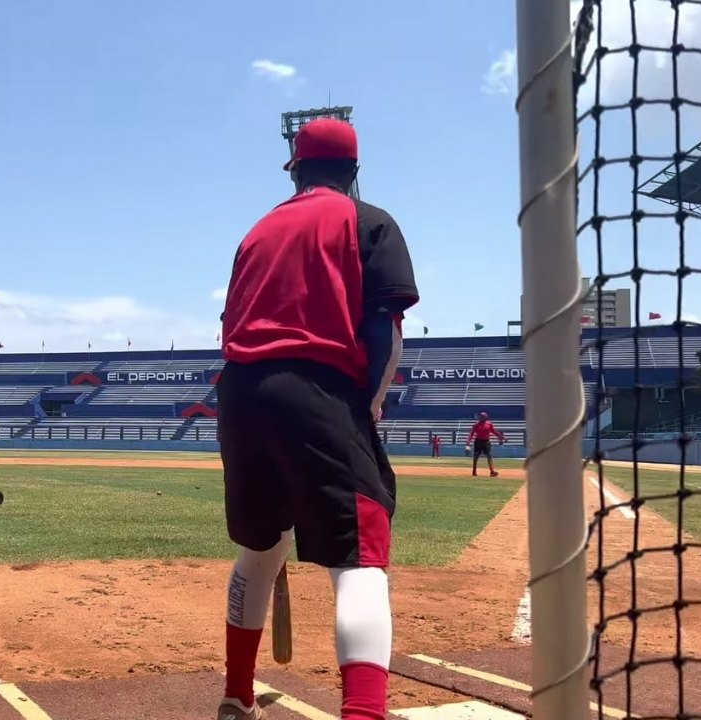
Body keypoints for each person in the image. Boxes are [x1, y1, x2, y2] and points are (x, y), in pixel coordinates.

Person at [216, 117, 419, 720]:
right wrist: (371, 404)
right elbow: (383, 329)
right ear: (353, 173)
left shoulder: (257, 230)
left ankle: (237, 696)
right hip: (319, 389)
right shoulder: (368, 219)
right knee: (359, 563)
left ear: (295, 169)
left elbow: (232, 324)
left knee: (259, 549)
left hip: (241, 390)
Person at [464, 412, 506, 477]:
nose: (482, 418)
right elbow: (471, 434)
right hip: (478, 441)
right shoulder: (476, 425)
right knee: (476, 456)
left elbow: (494, 432)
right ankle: (474, 471)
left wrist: (502, 437)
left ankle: (492, 471)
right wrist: (468, 442)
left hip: (486, 441)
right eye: (481, 416)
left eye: (483, 417)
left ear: (486, 417)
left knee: (489, 455)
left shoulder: (489, 424)